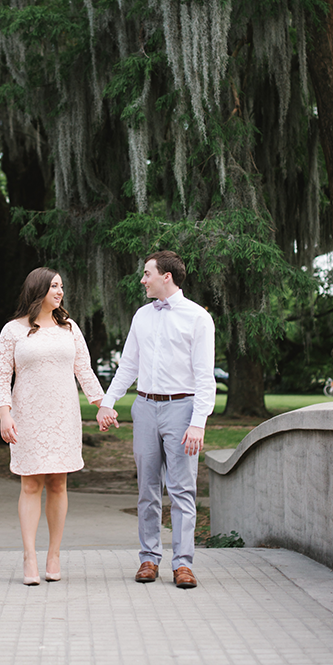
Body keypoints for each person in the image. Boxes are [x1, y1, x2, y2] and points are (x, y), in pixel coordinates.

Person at [97, 250, 216, 588]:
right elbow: (128, 366)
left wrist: (198, 423)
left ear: (167, 276)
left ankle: (183, 564)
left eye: (147, 273)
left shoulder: (197, 318)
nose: (142, 279)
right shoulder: (141, 316)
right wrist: (108, 402)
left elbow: (205, 377)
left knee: (182, 490)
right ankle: (148, 559)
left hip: (182, 409)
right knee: (147, 490)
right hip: (145, 407)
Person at [0, 267, 104, 585]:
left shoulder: (69, 328)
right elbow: (1, 378)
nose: (60, 291)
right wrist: (5, 414)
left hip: (63, 416)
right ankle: (29, 556)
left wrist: (101, 404)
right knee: (30, 484)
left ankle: (53, 554)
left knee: (58, 483)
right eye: (54, 286)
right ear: (38, 290)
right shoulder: (12, 331)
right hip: (27, 416)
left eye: (61, 286)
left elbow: (84, 369)